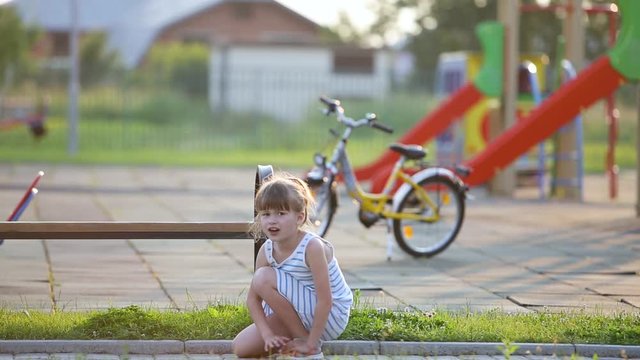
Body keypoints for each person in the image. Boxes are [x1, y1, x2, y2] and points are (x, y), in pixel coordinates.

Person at [232, 173, 353, 359]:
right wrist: (267, 335)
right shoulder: (267, 250)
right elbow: (253, 300)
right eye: (266, 214)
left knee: (263, 277)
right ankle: (292, 344)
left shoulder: (311, 247)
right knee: (240, 348)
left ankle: (309, 347)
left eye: (281, 213)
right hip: (296, 312)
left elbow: (325, 300)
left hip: (329, 317)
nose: (272, 220)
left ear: (299, 217)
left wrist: (311, 341)